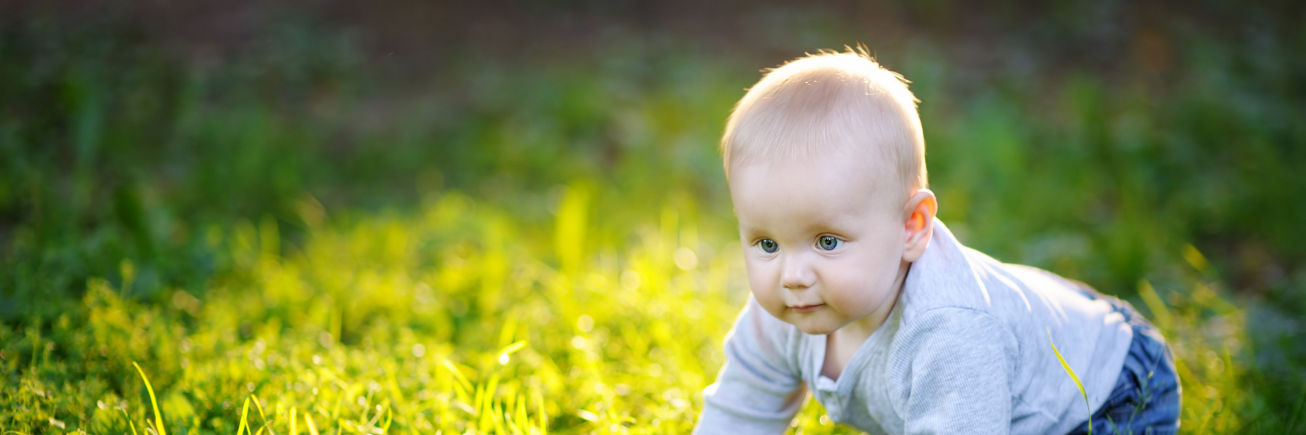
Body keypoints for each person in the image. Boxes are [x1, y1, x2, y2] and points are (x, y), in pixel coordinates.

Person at [695, 47, 1180, 434]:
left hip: (1110, 390)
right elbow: (740, 410)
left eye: (826, 242)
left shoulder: (949, 336)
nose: (792, 276)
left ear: (912, 226)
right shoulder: (783, 312)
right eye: (766, 244)